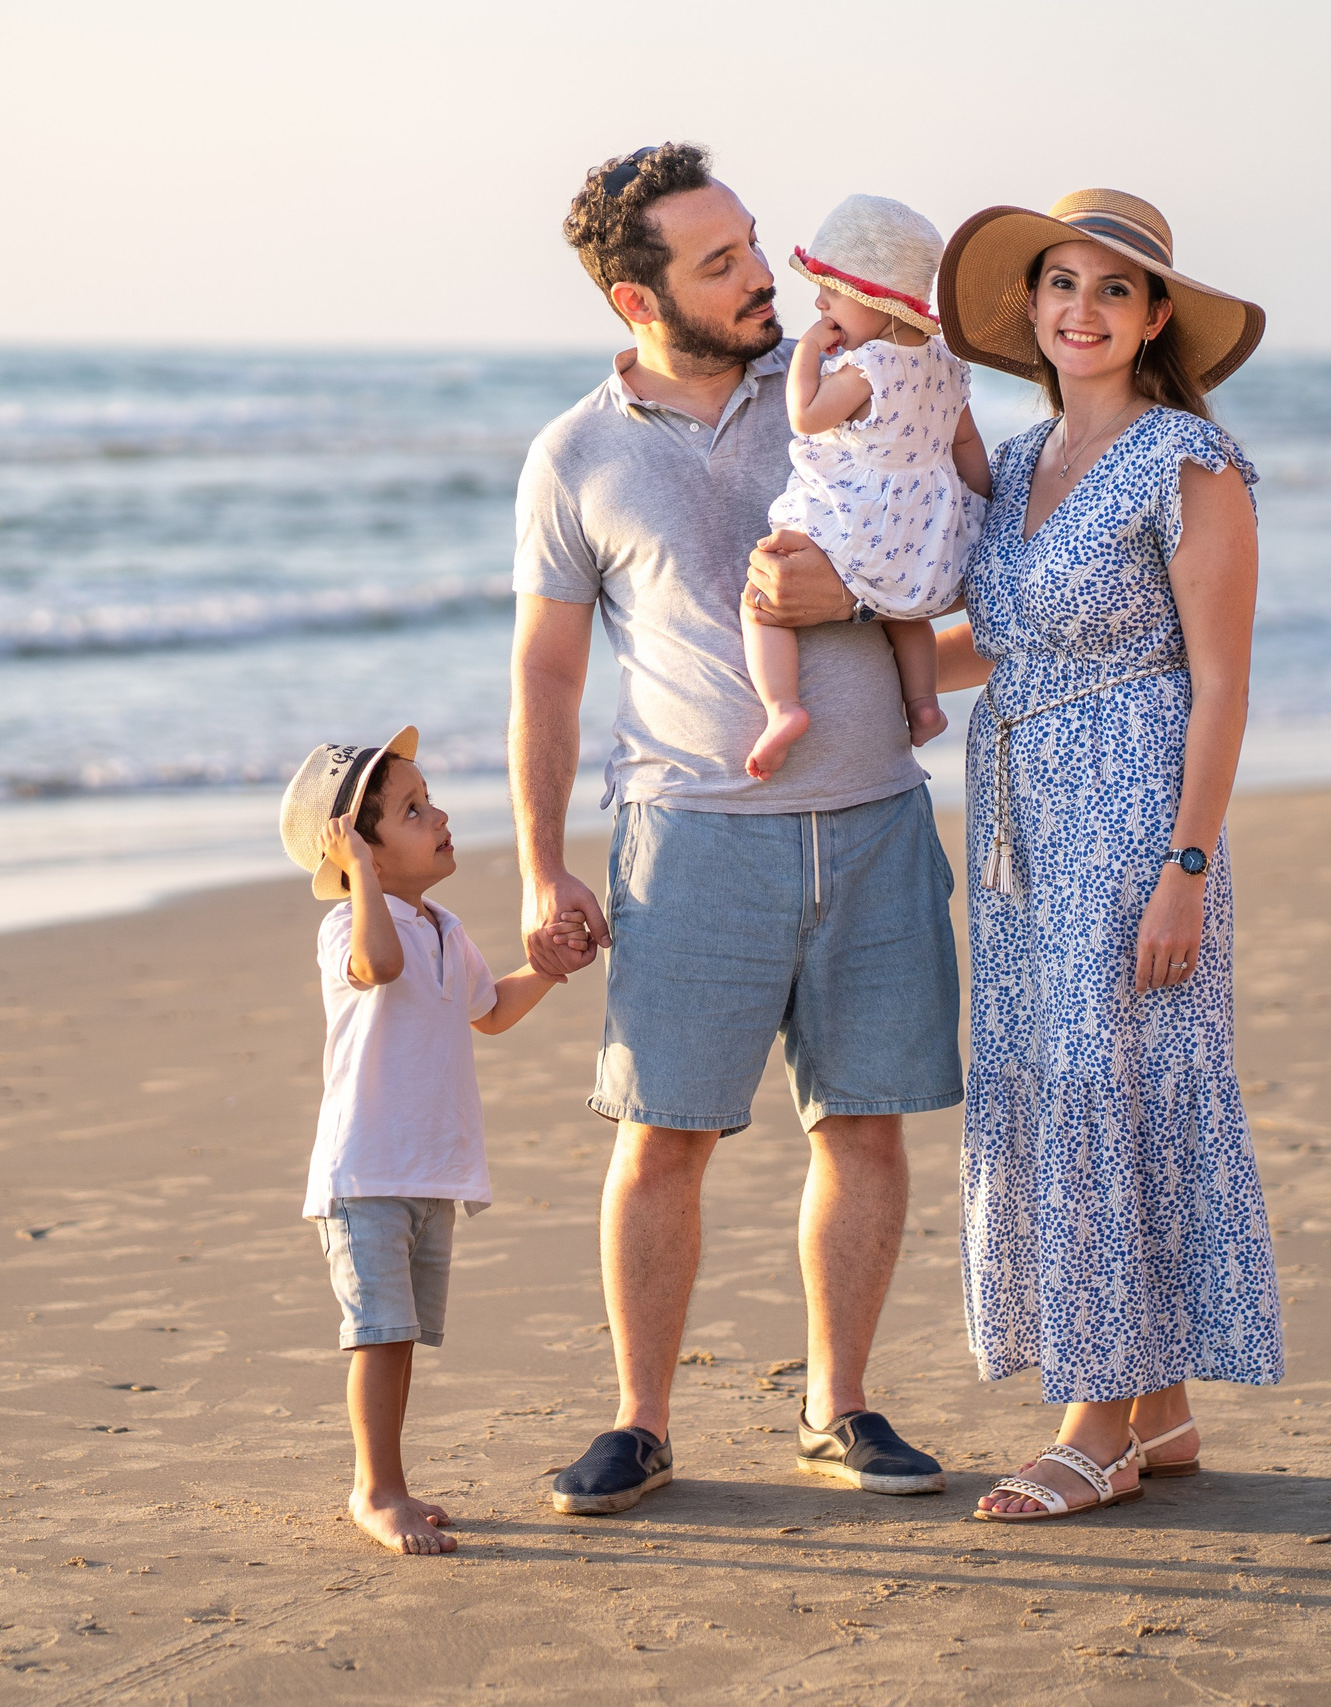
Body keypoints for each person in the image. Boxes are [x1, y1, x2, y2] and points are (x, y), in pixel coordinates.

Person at [509, 143, 964, 1516]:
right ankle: (641, 1422)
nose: (764, 274)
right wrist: (539, 864)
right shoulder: (575, 453)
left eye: (754, 241)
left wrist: (867, 608)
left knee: (867, 1127)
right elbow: (545, 674)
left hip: (878, 816)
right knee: (661, 1134)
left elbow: (972, 542)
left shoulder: (855, 370)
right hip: (691, 835)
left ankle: (842, 1402)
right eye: (720, 263)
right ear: (631, 299)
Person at [934, 188, 1284, 1519]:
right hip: (1023, 814)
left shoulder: (1191, 459)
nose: (1083, 308)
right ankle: (1162, 1403)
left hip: (1137, 811)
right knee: (1059, 1074)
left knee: (1107, 1080)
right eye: (1061, 283)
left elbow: (1223, 682)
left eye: (1114, 290)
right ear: (1029, 307)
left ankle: (1094, 1420)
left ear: (1152, 322)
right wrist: (853, 636)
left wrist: (1185, 866)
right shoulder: (1017, 466)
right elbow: (1006, 644)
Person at [277, 726, 577, 1553]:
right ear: (357, 853)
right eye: (411, 810)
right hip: (365, 1168)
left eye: (428, 797)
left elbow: (489, 1010)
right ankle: (374, 1489)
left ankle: (391, 1478)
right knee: (376, 1334)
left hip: (426, 1169)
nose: (437, 814)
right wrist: (363, 882)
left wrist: (547, 967)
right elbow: (378, 965)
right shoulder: (349, 927)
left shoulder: (444, 927)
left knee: (400, 1335)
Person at [742, 194, 989, 780]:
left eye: (831, 289)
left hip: (856, 516)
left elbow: (806, 415)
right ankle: (924, 706)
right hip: (920, 521)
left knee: (762, 602)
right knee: (901, 610)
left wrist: (805, 352)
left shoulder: (869, 365)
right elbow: (965, 446)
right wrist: (978, 509)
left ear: (877, 302)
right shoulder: (946, 366)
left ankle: (782, 709)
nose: (820, 301)